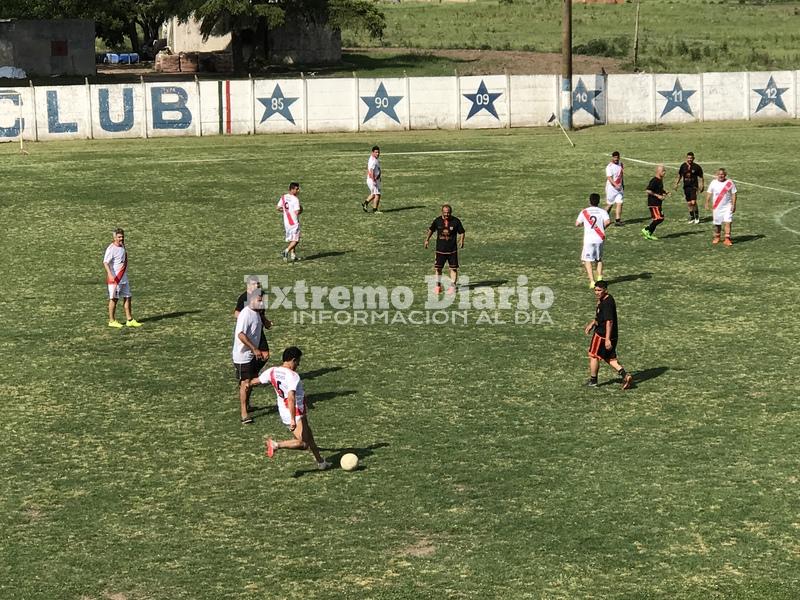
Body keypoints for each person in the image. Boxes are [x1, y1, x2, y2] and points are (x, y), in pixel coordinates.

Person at [248, 346, 332, 471]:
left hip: (284, 411)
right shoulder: (293, 376)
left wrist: (245, 383)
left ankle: (321, 462)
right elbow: (291, 397)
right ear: (293, 360)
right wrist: (293, 419)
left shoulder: (273, 371)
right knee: (303, 443)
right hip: (295, 412)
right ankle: (276, 445)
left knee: (309, 435)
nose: (298, 364)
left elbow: (256, 381)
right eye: (298, 361)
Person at [583, 280, 634, 389]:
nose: (597, 292)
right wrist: (592, 323)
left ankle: (593, 381)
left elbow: (609, 321)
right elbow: (600, 317)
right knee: (609, 358)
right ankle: (625, 375)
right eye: (595, 290)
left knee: (593, 355)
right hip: (613, 335)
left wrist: (607, 339)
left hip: (602, 336)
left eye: (599, 290)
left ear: (605, 290)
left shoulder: (606, 303)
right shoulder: (607, 299)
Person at [232, 287, 269, 424]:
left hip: (251, 354)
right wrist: (254, 349)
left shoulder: (256, 312)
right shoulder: (246, 314)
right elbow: (241, 335)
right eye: (259, 300)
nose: (262, 302)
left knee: (250, 380)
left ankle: (247, 405)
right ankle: (244, 413)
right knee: (245, 383)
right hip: (243, 356)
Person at [103, 228, 142, 328]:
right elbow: (105, 262)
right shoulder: (111, 249)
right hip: (115, 279)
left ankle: (129, 319)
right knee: (114, 299)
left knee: (128, 297)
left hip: (123, 278)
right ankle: (112, 321)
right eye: (119, 237)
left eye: (122, 236)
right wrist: (110, 274)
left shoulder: (122, 246)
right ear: (114, 237)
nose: (121, 238)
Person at [424, 204, 466, 295]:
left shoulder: (456, 221)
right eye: (445, 213)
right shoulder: (437, 221)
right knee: (438, 269)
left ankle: (452, 286)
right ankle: (438, 286)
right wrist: (427, 240)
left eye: (448, 213)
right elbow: (431, 230)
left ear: (451, 212)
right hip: (440, 250)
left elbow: (462, 232)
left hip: (452, 250)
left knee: (453, 268)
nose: (447, 214)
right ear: (442, 212)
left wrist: (461, 241)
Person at [234, 275, 272, 371]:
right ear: (248, 285)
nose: (257, 286)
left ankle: (252, 372)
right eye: (255, 284)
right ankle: (247, 372)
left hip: (259, 329)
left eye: (258, 284)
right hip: (249, 330)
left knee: (265, 354)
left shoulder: (261, 294)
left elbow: (260, 313)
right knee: (252, 352)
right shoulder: (244, 298)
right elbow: (236, 313)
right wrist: (248, 320)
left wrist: (265, 321)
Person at [575, 193, 611, 289]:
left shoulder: (585, 212)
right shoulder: (602, 211)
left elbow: (577, 224)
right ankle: (599, 277)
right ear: (598, 201)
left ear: (589, 201)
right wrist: (602, 228)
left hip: (589, 239)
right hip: (599, 238)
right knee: (599, 259)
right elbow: (608, 222)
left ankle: (592, 281)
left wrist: (585, 225)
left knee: (588, 260)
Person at [705, 168, 737, 246]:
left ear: (725, 175)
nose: (721, 176)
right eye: (719, 174)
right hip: (717, 207)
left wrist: (734, 204)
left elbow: (734, 194)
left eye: (722, 174)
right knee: (717, 224)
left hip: (727, 207)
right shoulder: (713, 183)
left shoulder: (729, 183)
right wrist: (707, 202)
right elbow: (709, 193)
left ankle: (727, 239)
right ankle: (717, 236)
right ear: (717, 175)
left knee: (728, 222)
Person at [674, 151, 704, 224]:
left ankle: (697, 216)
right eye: (688, 158)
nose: (690, 159)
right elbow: (679, 175)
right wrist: (676, 183)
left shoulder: (696, 167)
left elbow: (701, 177)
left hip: (693, 186)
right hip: (686, 187)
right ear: (686, 158)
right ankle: (692, 217)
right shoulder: (683, 166)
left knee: (693, 202)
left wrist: (702, 185)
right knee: (689, 203)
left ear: (693, 158)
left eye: (691, 158)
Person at [641, 164, 670, 240]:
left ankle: (648, 233)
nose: (665, 172)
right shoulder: (654, 180)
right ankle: (647, 230)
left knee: (659, 218)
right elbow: (648, 190)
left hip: (657, 203)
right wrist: (658, 196)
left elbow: (658, 189)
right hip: (653, 203)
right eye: (663, 171)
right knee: (659, 218)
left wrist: (665, 192)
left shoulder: (660, 180)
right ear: (659, 171)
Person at [277, 182, 302, 262]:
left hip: (286, 222)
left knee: (292, 238)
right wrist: (301, 208)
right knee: (296, 240)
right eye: (297, 189)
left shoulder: (284, 197)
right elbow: (297, 212)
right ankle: (286, 251)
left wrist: (285, 211)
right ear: (292, 189)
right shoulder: (295, 199)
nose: (298, 190)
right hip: (293, 222)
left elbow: (278, 208)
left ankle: (293, 255)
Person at [605, 151, 625, 226]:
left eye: (617, 157)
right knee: (610, 205)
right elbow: (609, 178)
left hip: (619, 189)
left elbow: (621, 176)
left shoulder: (621, 164)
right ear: (612, 157)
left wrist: (622, 185)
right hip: (611, 189)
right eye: (615, 157)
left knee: (620, 202)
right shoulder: (609, 167)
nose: (616, 159)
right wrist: (615, 185)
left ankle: (617, 220)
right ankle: (603, 216)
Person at [362, 145, 382, 213]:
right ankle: (375, 210)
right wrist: (374, 181)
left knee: (374, 194)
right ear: (372, 152)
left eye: (378, 152)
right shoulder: (373, 161)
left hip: (374, 179)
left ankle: (365, 203)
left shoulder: (373, 159)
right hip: (373, 180)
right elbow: (371, 171)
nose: (377, 154)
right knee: (377, 194)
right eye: (376, 152)